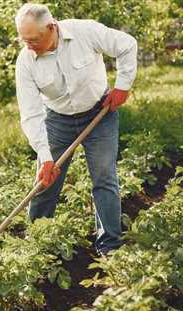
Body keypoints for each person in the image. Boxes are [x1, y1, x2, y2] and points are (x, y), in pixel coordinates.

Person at [14, 3, 137, 256]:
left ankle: (110, 246)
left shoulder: (84, 32)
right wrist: (46, 157)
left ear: (51, 27)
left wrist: (122, 86)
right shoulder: (26, 60)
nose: (28, 46)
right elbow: (31, 112)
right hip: (57, 120)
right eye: (24, 40)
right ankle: (37, 243)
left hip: (99, 113)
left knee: (104, 177)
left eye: (33, 40)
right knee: (45, 181)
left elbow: (127, 44)